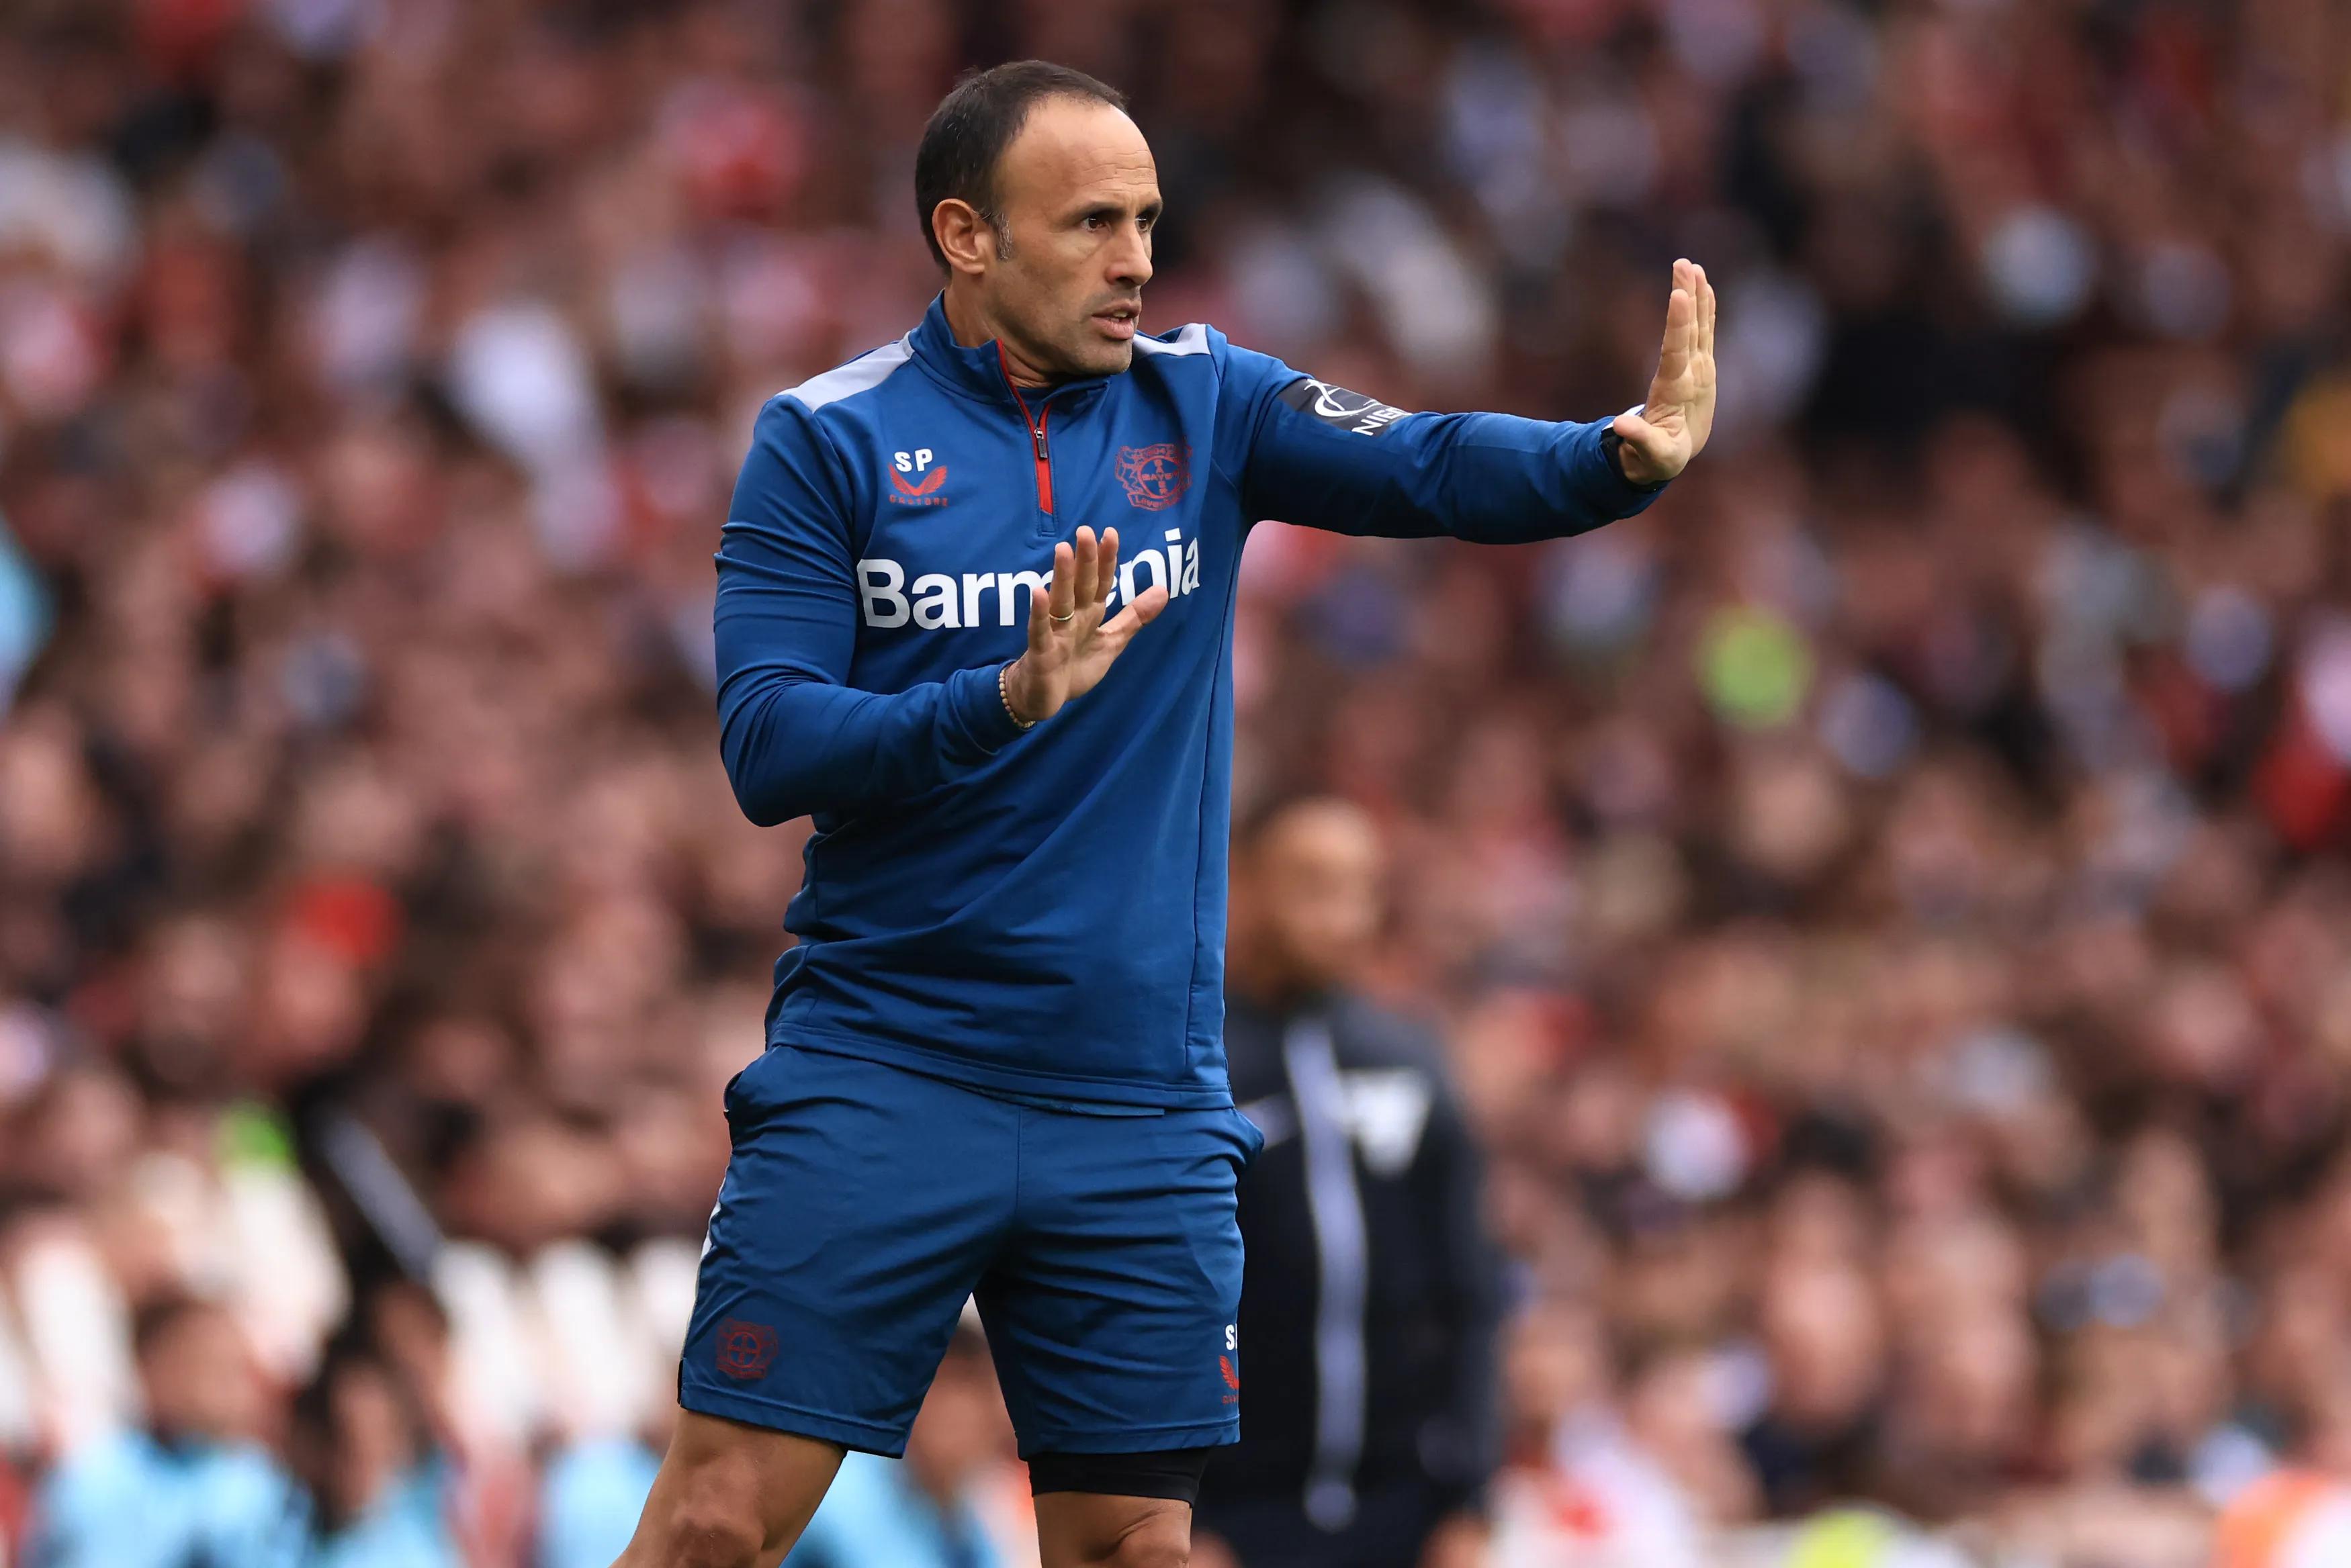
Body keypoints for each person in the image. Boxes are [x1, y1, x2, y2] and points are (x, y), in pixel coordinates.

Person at [616, 56, 1714, 1568]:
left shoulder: (1210, 404)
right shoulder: (828, 440)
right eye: (1086, 223)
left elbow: (1428, 460)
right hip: (888, 1066)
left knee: (1138, 1548)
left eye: (1144, 218)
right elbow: (766, 744)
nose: (1135, 256)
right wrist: (993, 703)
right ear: (966, 235)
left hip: (1138, 1106)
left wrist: (1610, 458)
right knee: (718, 1523)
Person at [1193, 798, 1505, 1568]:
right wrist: (1178, 1508)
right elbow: (1150, 1296)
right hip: (1237, 1517)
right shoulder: (1194, 1063)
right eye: (1312, 884)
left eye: (1360, 888)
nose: (1341, 913)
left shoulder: (1408, 1061)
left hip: (1405, 1511)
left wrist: (1470, 1500)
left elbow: (1468, 1297)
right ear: (1245, 883)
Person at [29, 1295, 305, 1568]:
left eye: (235, 1370)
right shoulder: (93, 1478)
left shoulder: (264, 1486)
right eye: (203, 1366)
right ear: (149, 1367)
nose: (223, 1390)